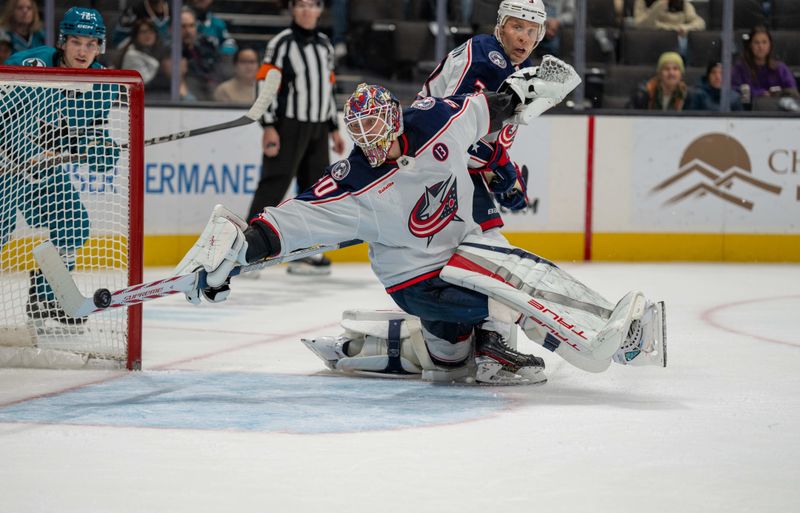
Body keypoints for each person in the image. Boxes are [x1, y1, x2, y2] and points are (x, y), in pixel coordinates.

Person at [173, 66, 666, 386]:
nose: (371, 143)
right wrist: (235, 253)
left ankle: (612, 337)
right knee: (487, 319)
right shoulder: (351, 183)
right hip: (417, 282)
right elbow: (287, 223)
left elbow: (486, 109)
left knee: (478, 331)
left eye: (378, 130)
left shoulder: (435, 121)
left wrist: (521, 94)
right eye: (361, 135)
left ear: (396, 118)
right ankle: (458, 344)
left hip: (466, 253)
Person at [418, 0, 547, 359]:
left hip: (445, 165)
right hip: (433, 165)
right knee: (493, 251)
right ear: (501, 27)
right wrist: (499, 165)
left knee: (473, 252)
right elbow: (448, 128)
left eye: (531, 30)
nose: (524, 37)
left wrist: (500, 171)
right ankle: (491, 346)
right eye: (517, 27)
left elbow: (481, 137)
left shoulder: (514, 67)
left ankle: (454, 341)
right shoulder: (485, 57)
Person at [3, 8, 119, 327]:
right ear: (62, 42)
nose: (83, 51)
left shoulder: (103, 82)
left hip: (43, 171)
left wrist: (100, 150)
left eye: (91, 44)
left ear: (100, 46)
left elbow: (90, 134)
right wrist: (20, 148)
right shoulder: (31, 65)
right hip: (4, 166)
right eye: (76, 42)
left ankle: (46, 297)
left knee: (74, 224)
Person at [247, 0, 345, 275]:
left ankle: (305, 253)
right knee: (273, 187)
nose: (306, 10)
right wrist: (268, 124)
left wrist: (333, 127)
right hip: (288, 125)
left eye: (312, 5)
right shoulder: (281, 43)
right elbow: (264, 83)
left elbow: (328, 87)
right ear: (292, 8)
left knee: (314, 193)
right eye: (300, 4)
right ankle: (246, 249)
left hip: (317, 128)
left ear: (319, 9)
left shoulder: (325, 44)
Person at [732, 26, 799, 112]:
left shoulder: (780, 68)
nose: (761, 46)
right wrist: (759, 93)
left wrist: (777, 94)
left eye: (764, 42)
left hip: (778, 115)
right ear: (750, 45)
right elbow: (733, 91)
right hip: (747, 115)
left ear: (770, 45)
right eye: (756, 42)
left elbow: (792, 91)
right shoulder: (740, 68)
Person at [633, 0, 705, 57]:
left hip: (678, 40)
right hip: (654, 39)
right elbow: (640, 25)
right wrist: (659, 5)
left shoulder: (683, 4)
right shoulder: (643, 1)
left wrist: (686, 27)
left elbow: (700, 23)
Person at [180, 6, 223, 101]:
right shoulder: (171, 51)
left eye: (191, 26)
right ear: (173, 28)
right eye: (183, 26)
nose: (188, 31)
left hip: (211, 92)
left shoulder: (207, 45)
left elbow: (219, 70)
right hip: (189, 95)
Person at [115, 18, 165, 87]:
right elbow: (143, 83)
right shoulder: (131, 55)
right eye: (143, 32)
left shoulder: (157, 52)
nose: (148, 35)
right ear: (136, 36)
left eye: (151, 31)